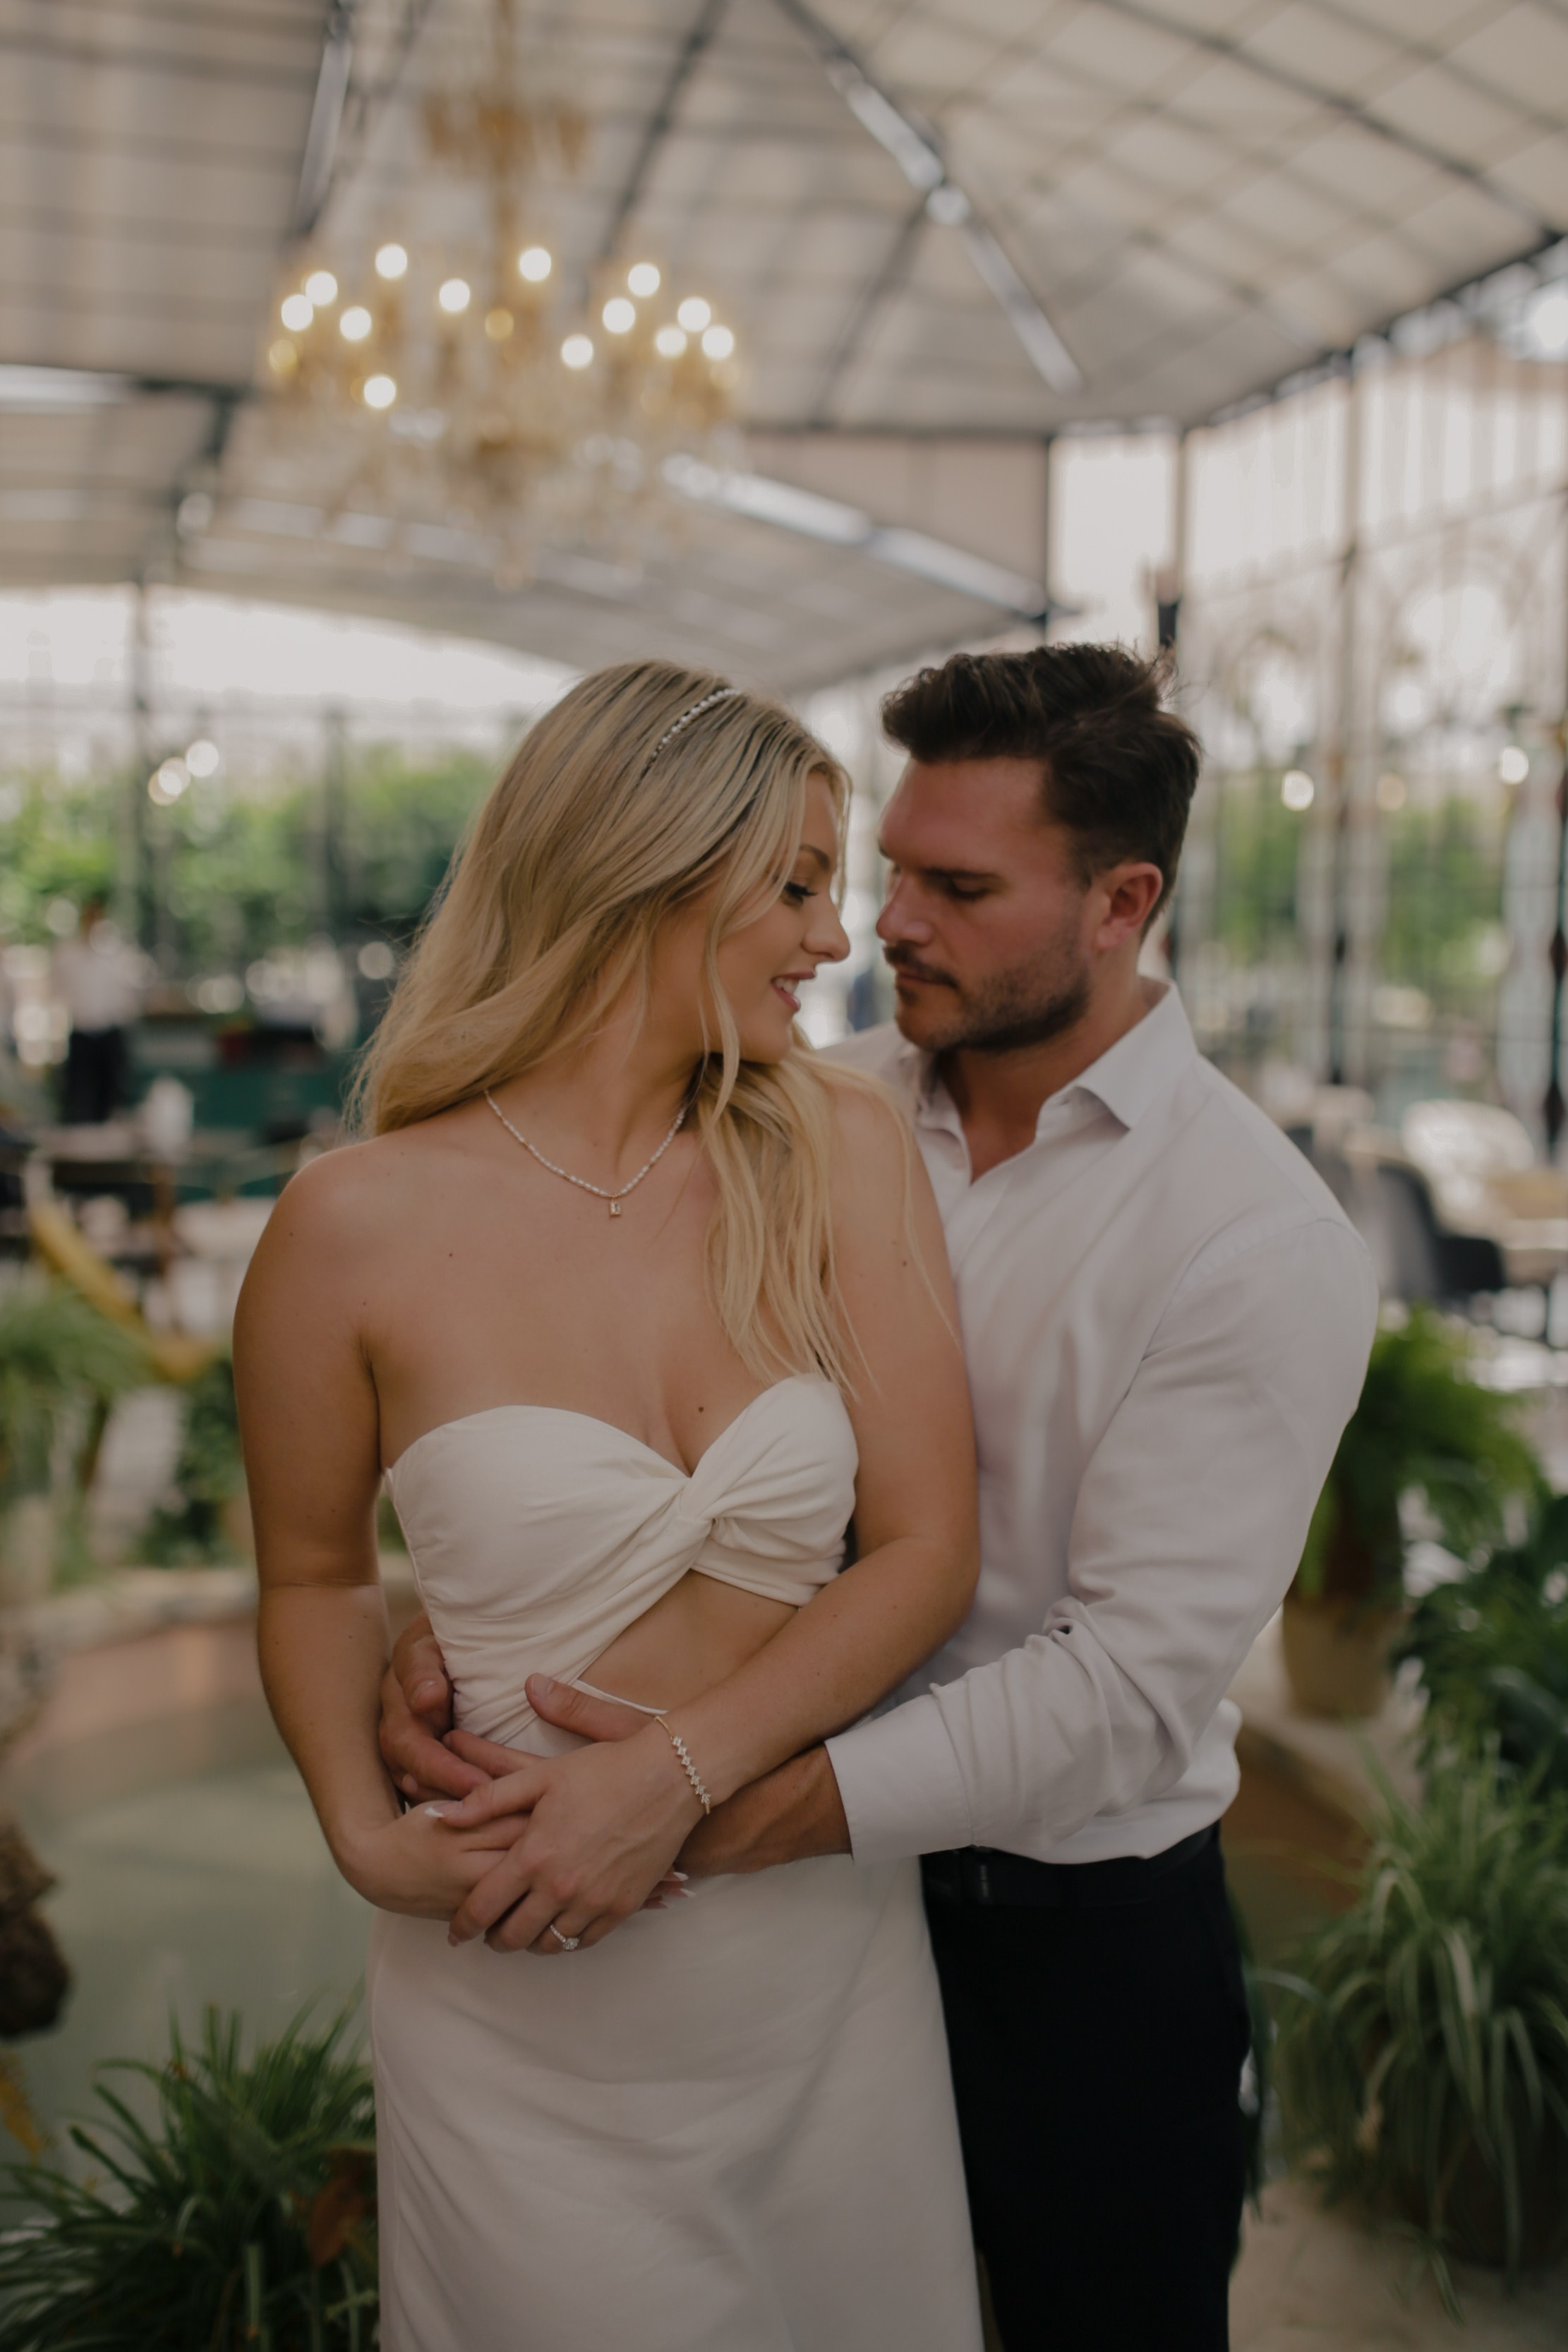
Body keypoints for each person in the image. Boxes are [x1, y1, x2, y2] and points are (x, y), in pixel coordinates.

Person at [385, 643, 1378, 2351]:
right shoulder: (786, 1099)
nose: (884, 923)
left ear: (1119, 901)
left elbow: (1122, 1681)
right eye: (889, 867)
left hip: (1066, 1941)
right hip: (785, 1931)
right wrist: (471, 1608)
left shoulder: (1254, 1241)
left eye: (958, 886)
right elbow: (614, 1404)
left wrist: (681, 1813)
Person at [234, 661, 986, 2352]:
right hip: (511, 1974)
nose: (830, 936)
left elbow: (930, 1551)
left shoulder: (835, 1147)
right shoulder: (349, 1224)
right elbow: (309, 1575)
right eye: (795, 884)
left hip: (815, 1972)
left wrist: (666, 1775)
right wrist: (362, 1836)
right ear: (649, 865)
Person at [52, 893, 143, 1124]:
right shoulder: (67, 954)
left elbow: (129, 994)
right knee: (79, 1095)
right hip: (82, 1032)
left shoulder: (118, 954)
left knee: (111, 1096)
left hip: (110, 1032)